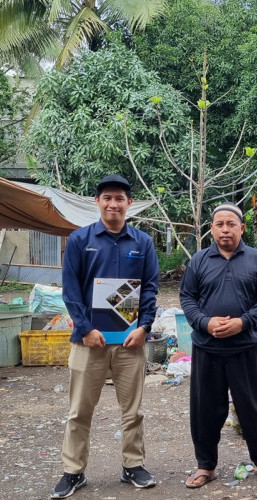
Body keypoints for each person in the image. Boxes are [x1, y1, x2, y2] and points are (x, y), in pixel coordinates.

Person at [51, 174, 159, 498]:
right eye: (107, 197)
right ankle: (73, 472)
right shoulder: (79, 240)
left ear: (129, 204)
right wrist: (84, 330)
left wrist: (144, 327)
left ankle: (133, 466)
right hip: (89, 342)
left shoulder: (143, 243)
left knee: (133, 410)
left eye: (120, 198)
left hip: (130, 342)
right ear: (97, 202)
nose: (113, 203)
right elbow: (70, 291)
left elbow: (151, 288)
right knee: (79, 412)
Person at [179, 202, 257, 488]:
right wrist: (205, 322)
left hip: (245, 347)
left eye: (231, 224)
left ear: (241, 228)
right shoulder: (199, 260)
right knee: (206, 409)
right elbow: (187, 298)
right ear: (211, 228)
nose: (225, 229)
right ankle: (205, 466)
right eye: (220, 224)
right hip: (207, 348)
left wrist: (243, 322)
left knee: (253, 406)